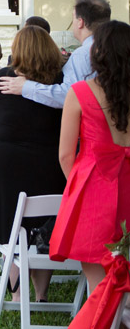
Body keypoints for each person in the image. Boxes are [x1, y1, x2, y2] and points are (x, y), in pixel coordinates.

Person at [0, 25, 66, 303]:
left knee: (10, 226)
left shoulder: (3, 76)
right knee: (44, 224)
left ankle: (16, 296)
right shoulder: (59, 82)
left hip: (4, 159)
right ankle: (40, 295)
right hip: (48, 159)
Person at [49, 20, 130, 293]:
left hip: (94, 187)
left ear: (98, 53)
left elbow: (65, 155)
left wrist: (78, 188)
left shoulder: (80, 92)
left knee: (99, 281)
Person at [0, 0, 111, 107]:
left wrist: (26, 87)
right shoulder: (115, 47)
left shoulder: (83, 54)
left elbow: (71, 96)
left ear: (80, 22)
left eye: (73, 18)